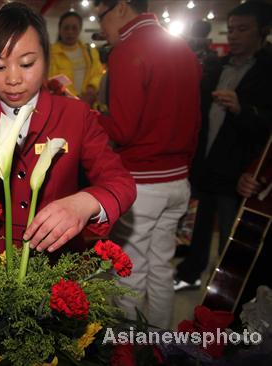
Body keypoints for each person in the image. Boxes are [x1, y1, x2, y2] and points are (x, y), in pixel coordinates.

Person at [0, 2, 136, 262]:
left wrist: (84, 203)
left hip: (59, 262)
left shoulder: (76, 116)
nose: (13, 79)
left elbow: (121, 183)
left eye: (27, 64)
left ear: (46, 60)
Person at [94, 0, 201, 328]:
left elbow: (123, 129)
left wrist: (89, 116)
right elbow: (195, 122)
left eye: (102, 15)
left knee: (130, 273)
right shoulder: (180, 47)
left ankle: (131, 353)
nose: (101, 26)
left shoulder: (127, 50)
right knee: (161, 269)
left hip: (143, 181)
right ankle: (160, 347)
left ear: (122, 7)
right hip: (178, 180)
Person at [174, 1, 272, 292]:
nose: (233, 35)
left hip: (240, 172)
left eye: (243, 29)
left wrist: (243, 109)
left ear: (263, 32)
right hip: (206, 164)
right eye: (231, 29)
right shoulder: (217, 66)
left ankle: (229, 290)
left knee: (232, 236)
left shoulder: (267, 71)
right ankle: (190, 273)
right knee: (198, 228)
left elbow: (267, 124)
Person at [49, 11, 104, 105]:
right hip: (62, 105)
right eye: (66, 28)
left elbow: (98, 73)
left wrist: (91, 89)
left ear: (80, 29)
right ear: (60, 29)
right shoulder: (50, 54)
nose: (70, 32)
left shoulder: (90, 52)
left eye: (74, 28)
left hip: (88, 104)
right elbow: (49, 80)